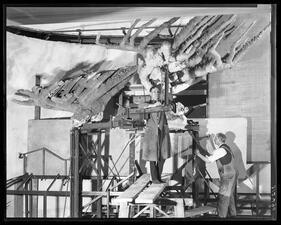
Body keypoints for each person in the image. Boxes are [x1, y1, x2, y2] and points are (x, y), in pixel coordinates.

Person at [195, 133, 239, 218]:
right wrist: (210, 140)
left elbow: (208, 160)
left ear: (219, 139)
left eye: (215, 139)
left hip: (228, 175)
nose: (215, 140)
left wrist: (198, 154)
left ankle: (221, 216)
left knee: (223, 196)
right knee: (229, 195)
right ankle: (233, 215)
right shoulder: (225, 147)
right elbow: (214, 152)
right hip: (232, 173)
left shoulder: (221, 150)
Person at [142, 84, 171, 184]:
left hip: (162, 132)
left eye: (158, 92)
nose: (156, 94)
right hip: (151, 133)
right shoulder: (148, 104)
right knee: (152, 156)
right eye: (154, 92)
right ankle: (154, 179)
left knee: (162, 156)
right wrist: (153, 105)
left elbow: (170, 110)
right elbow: (141, 107)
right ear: (150, 94)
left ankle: (158, 177)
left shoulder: (164, 104)